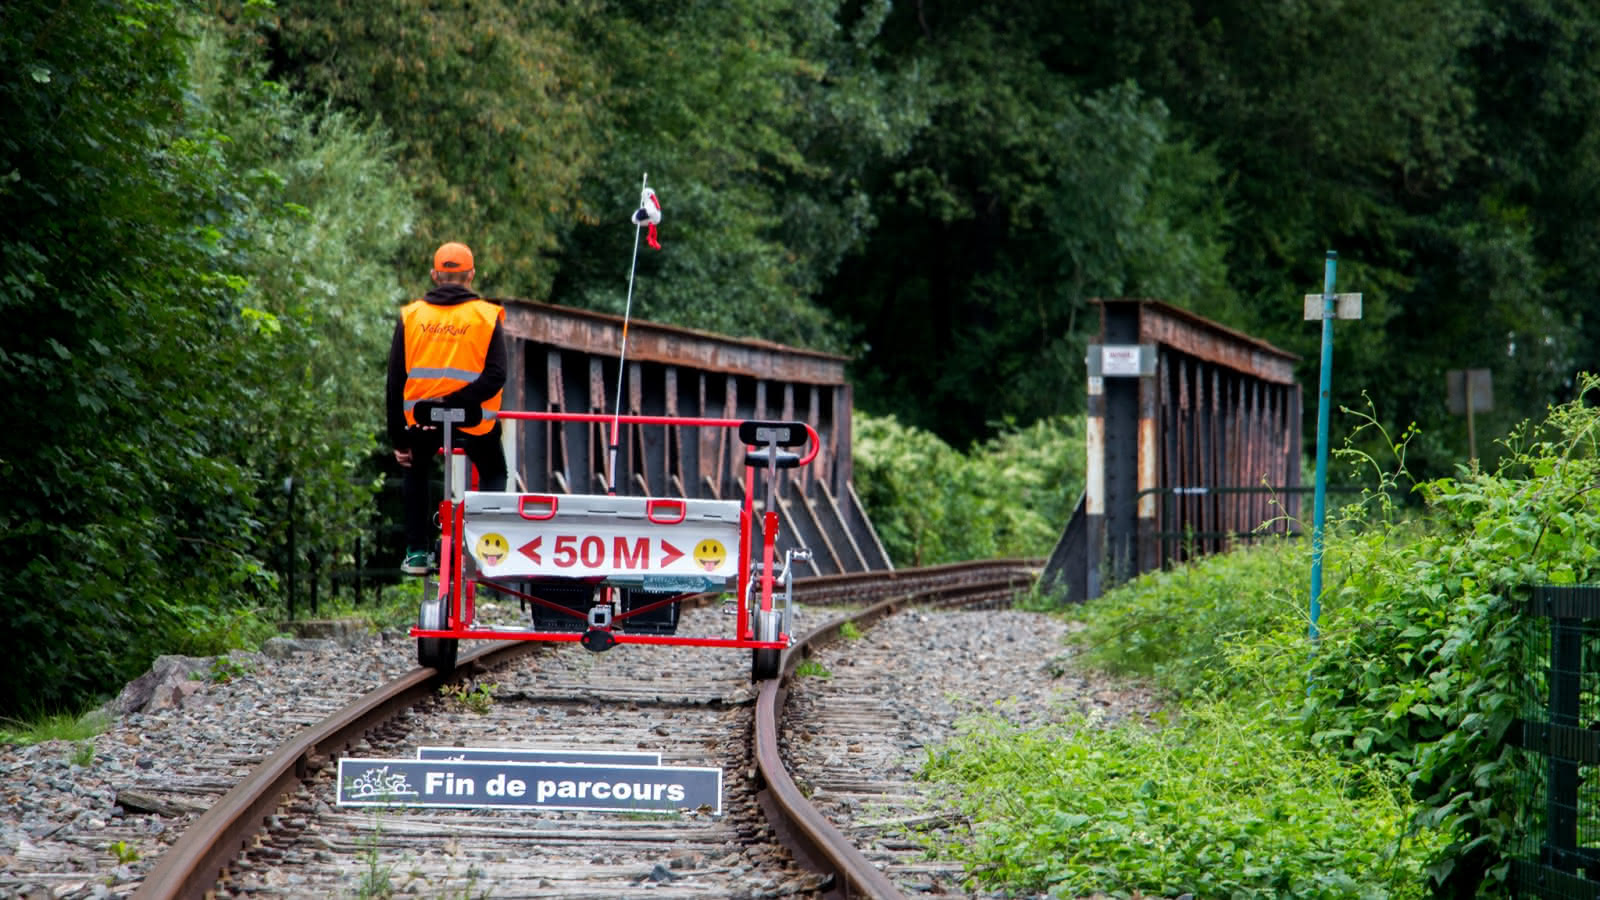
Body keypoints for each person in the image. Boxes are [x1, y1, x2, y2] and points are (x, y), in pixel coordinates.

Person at [386, 241, 509, 574]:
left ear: (434, 275)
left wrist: (399, 439)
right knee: (494, 469)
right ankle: (485, 550)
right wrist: (457, 401)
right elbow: (497, 375)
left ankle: (416, 552)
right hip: (473, 422)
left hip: (423, 423)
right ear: (471, 274)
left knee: (416, 465)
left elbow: (396, 381)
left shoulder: (412, 316)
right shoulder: (485, 316)